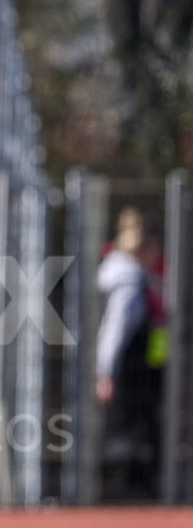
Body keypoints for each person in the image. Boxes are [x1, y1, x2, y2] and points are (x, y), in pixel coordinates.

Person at [95, 206, 163, 499]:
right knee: (129, 443)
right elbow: (114, 331)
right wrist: (107, 373)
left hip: (135, 374)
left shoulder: (133, 278)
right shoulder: (129, 283)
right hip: (130, 377)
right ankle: (127, 503)